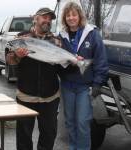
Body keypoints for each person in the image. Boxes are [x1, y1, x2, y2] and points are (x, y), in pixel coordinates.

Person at [7, 8, 61, 150]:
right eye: (44, 17)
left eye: (50, 19)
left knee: (49, 135)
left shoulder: (57, 41)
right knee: (24, 136)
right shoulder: (21, 37)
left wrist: (73, 60)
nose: (47, 21)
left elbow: (63, 67)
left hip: (50, 97)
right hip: (26, 96)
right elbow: (10, 61)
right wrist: (18, 55)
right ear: (35, 19)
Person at [58, 2, 108, 150]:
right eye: (68, 15)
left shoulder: (92, 34)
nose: (71, 18)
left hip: (84, 87)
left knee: (82, 123)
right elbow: (56, 61)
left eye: (74, 14)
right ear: (64, 18)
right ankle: (73, 147)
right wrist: (67, 62)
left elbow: (101, 60)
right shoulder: (61, 37)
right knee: (70, 122)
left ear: (80, 16)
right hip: (67, 86)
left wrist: (98, 83)